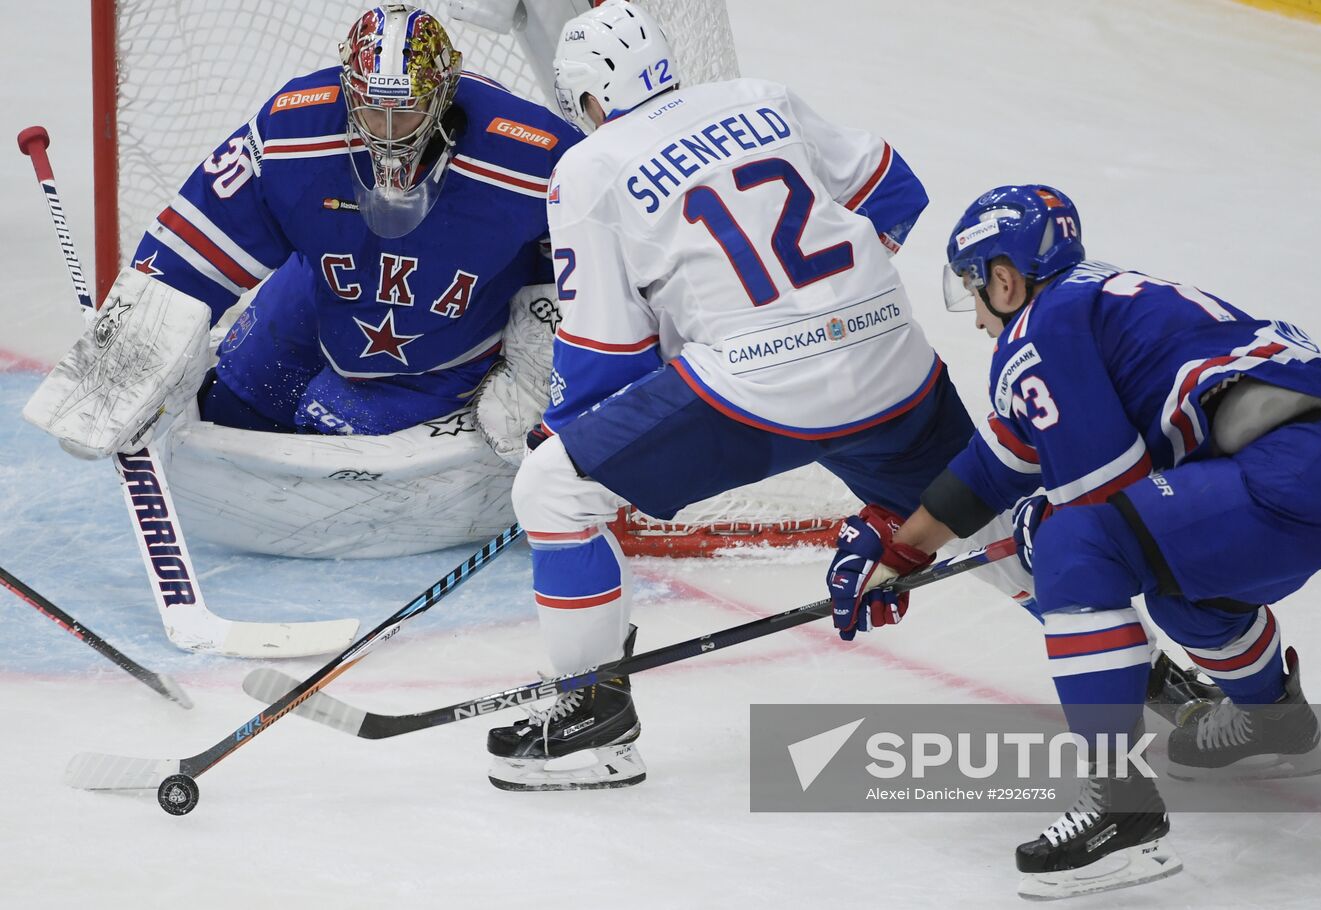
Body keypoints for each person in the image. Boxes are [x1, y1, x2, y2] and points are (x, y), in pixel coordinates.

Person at [490, 0, 1032, 792]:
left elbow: (610, 350)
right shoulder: (759, 96)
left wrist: (566, 433)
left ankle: (592, 725)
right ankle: (1165, 678)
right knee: (981, 509)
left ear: (588, 102)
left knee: (554, 491)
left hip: (758, 391)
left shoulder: (590, 165)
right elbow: (894, 188)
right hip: (892, 360)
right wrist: (834, 308)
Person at [828, 183, 1321, 899]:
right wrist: (905, 549)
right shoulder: (1091, 306)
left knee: (1075, 546)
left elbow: (1097, 499)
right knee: (1185, 595)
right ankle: (1273, 721)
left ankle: (1119, 809)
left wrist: (1048, 528)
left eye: (974, 290)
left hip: (1280, 477)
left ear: (1005, 278)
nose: (975, 317)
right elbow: (997, 465)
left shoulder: (1041, 328)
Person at [26, 4, 578, 458]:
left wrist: (544, 355)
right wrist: (123, 371)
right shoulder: (293, 130)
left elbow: (607, 263)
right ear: (347, 88)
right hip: (321, 299)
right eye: (370, 109)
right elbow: (193, 248)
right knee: (228, 407)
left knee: (328, 438)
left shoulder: (535, 156)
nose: (385, 132)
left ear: (443, 94)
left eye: (405, 112)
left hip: (446, 346)